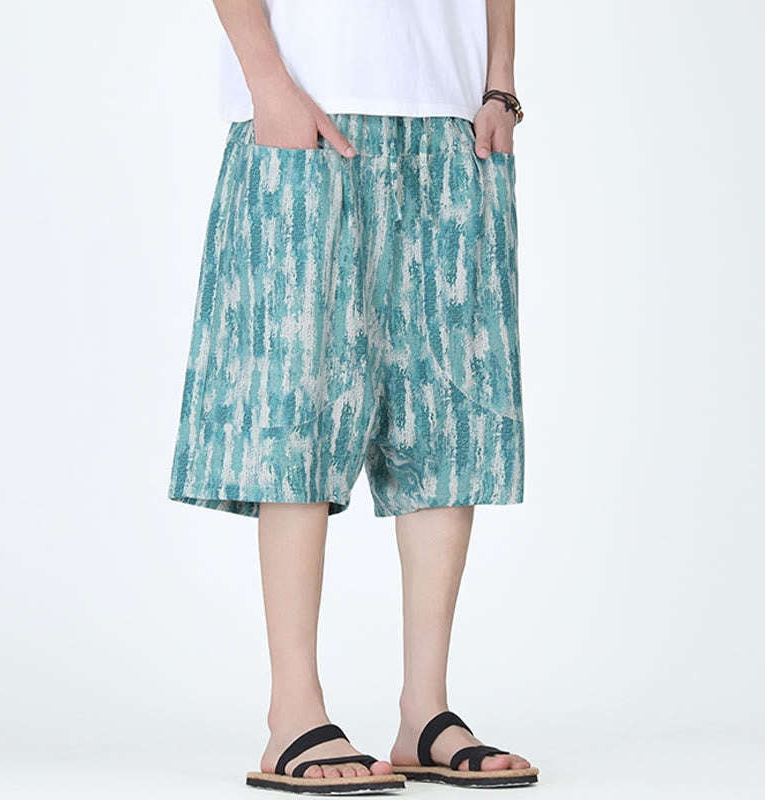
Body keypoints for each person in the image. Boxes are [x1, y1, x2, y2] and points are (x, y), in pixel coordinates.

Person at [168, 0, 538, 793]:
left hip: (454, 117)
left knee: (448, 415)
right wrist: (266, 80)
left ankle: (425, 714)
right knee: (297, 405)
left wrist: (500, 82)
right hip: (310, 101)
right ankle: (292, 715)